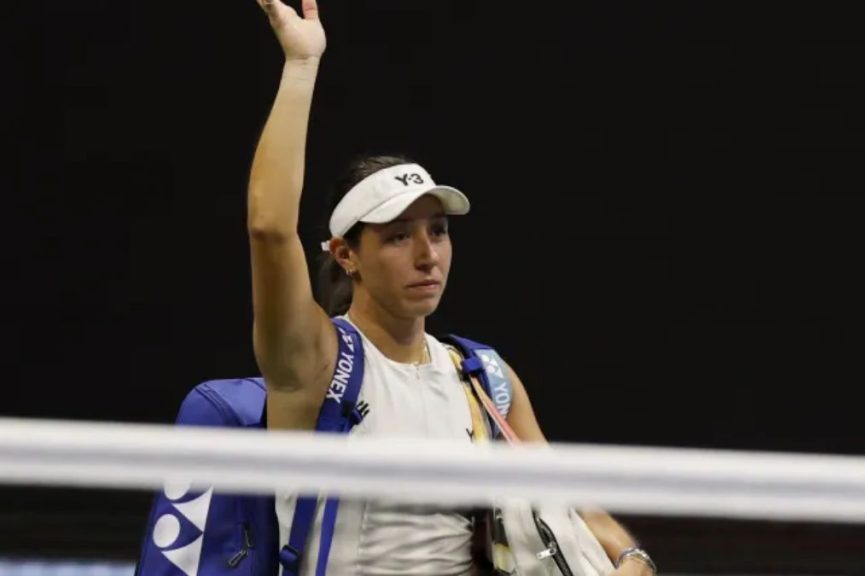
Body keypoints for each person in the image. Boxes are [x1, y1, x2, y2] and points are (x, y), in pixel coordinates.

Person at [248, 0, 657, 574]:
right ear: (346, 255)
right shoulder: (313, 360)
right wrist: (301, 64)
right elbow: (270, 228)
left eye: (437, 231)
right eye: (398, 237)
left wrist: (632, 557)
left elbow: (564, 496)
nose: (427, 255)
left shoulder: (483, 376)